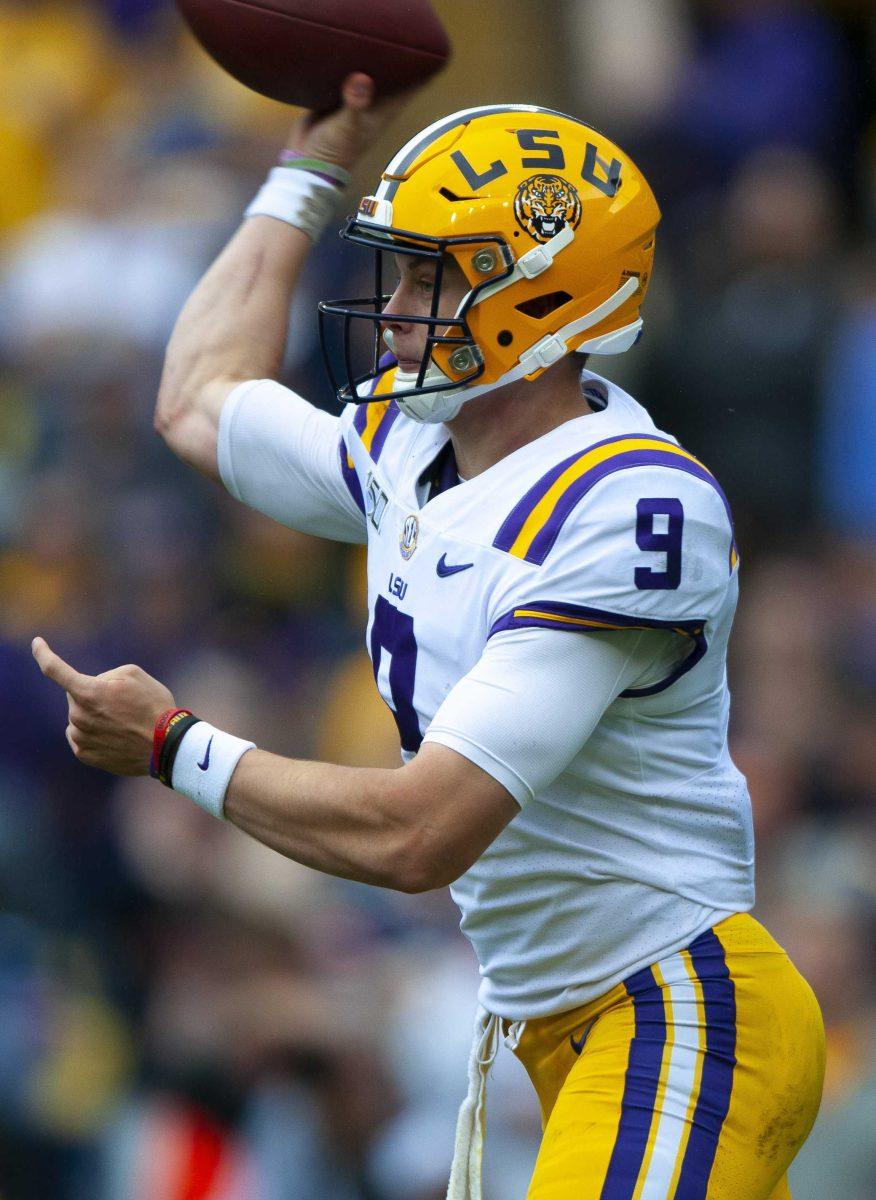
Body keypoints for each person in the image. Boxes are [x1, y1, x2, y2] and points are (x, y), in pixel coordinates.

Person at [33, 75, 825, 1199]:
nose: (396, 304)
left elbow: (422, 835)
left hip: (678, 1014)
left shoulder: (631, 511)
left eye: (430, 275)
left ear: (541, 301)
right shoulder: (414, 440)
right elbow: (201, 395)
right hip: (567, 1030)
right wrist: (306, 171)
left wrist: (173, 745)